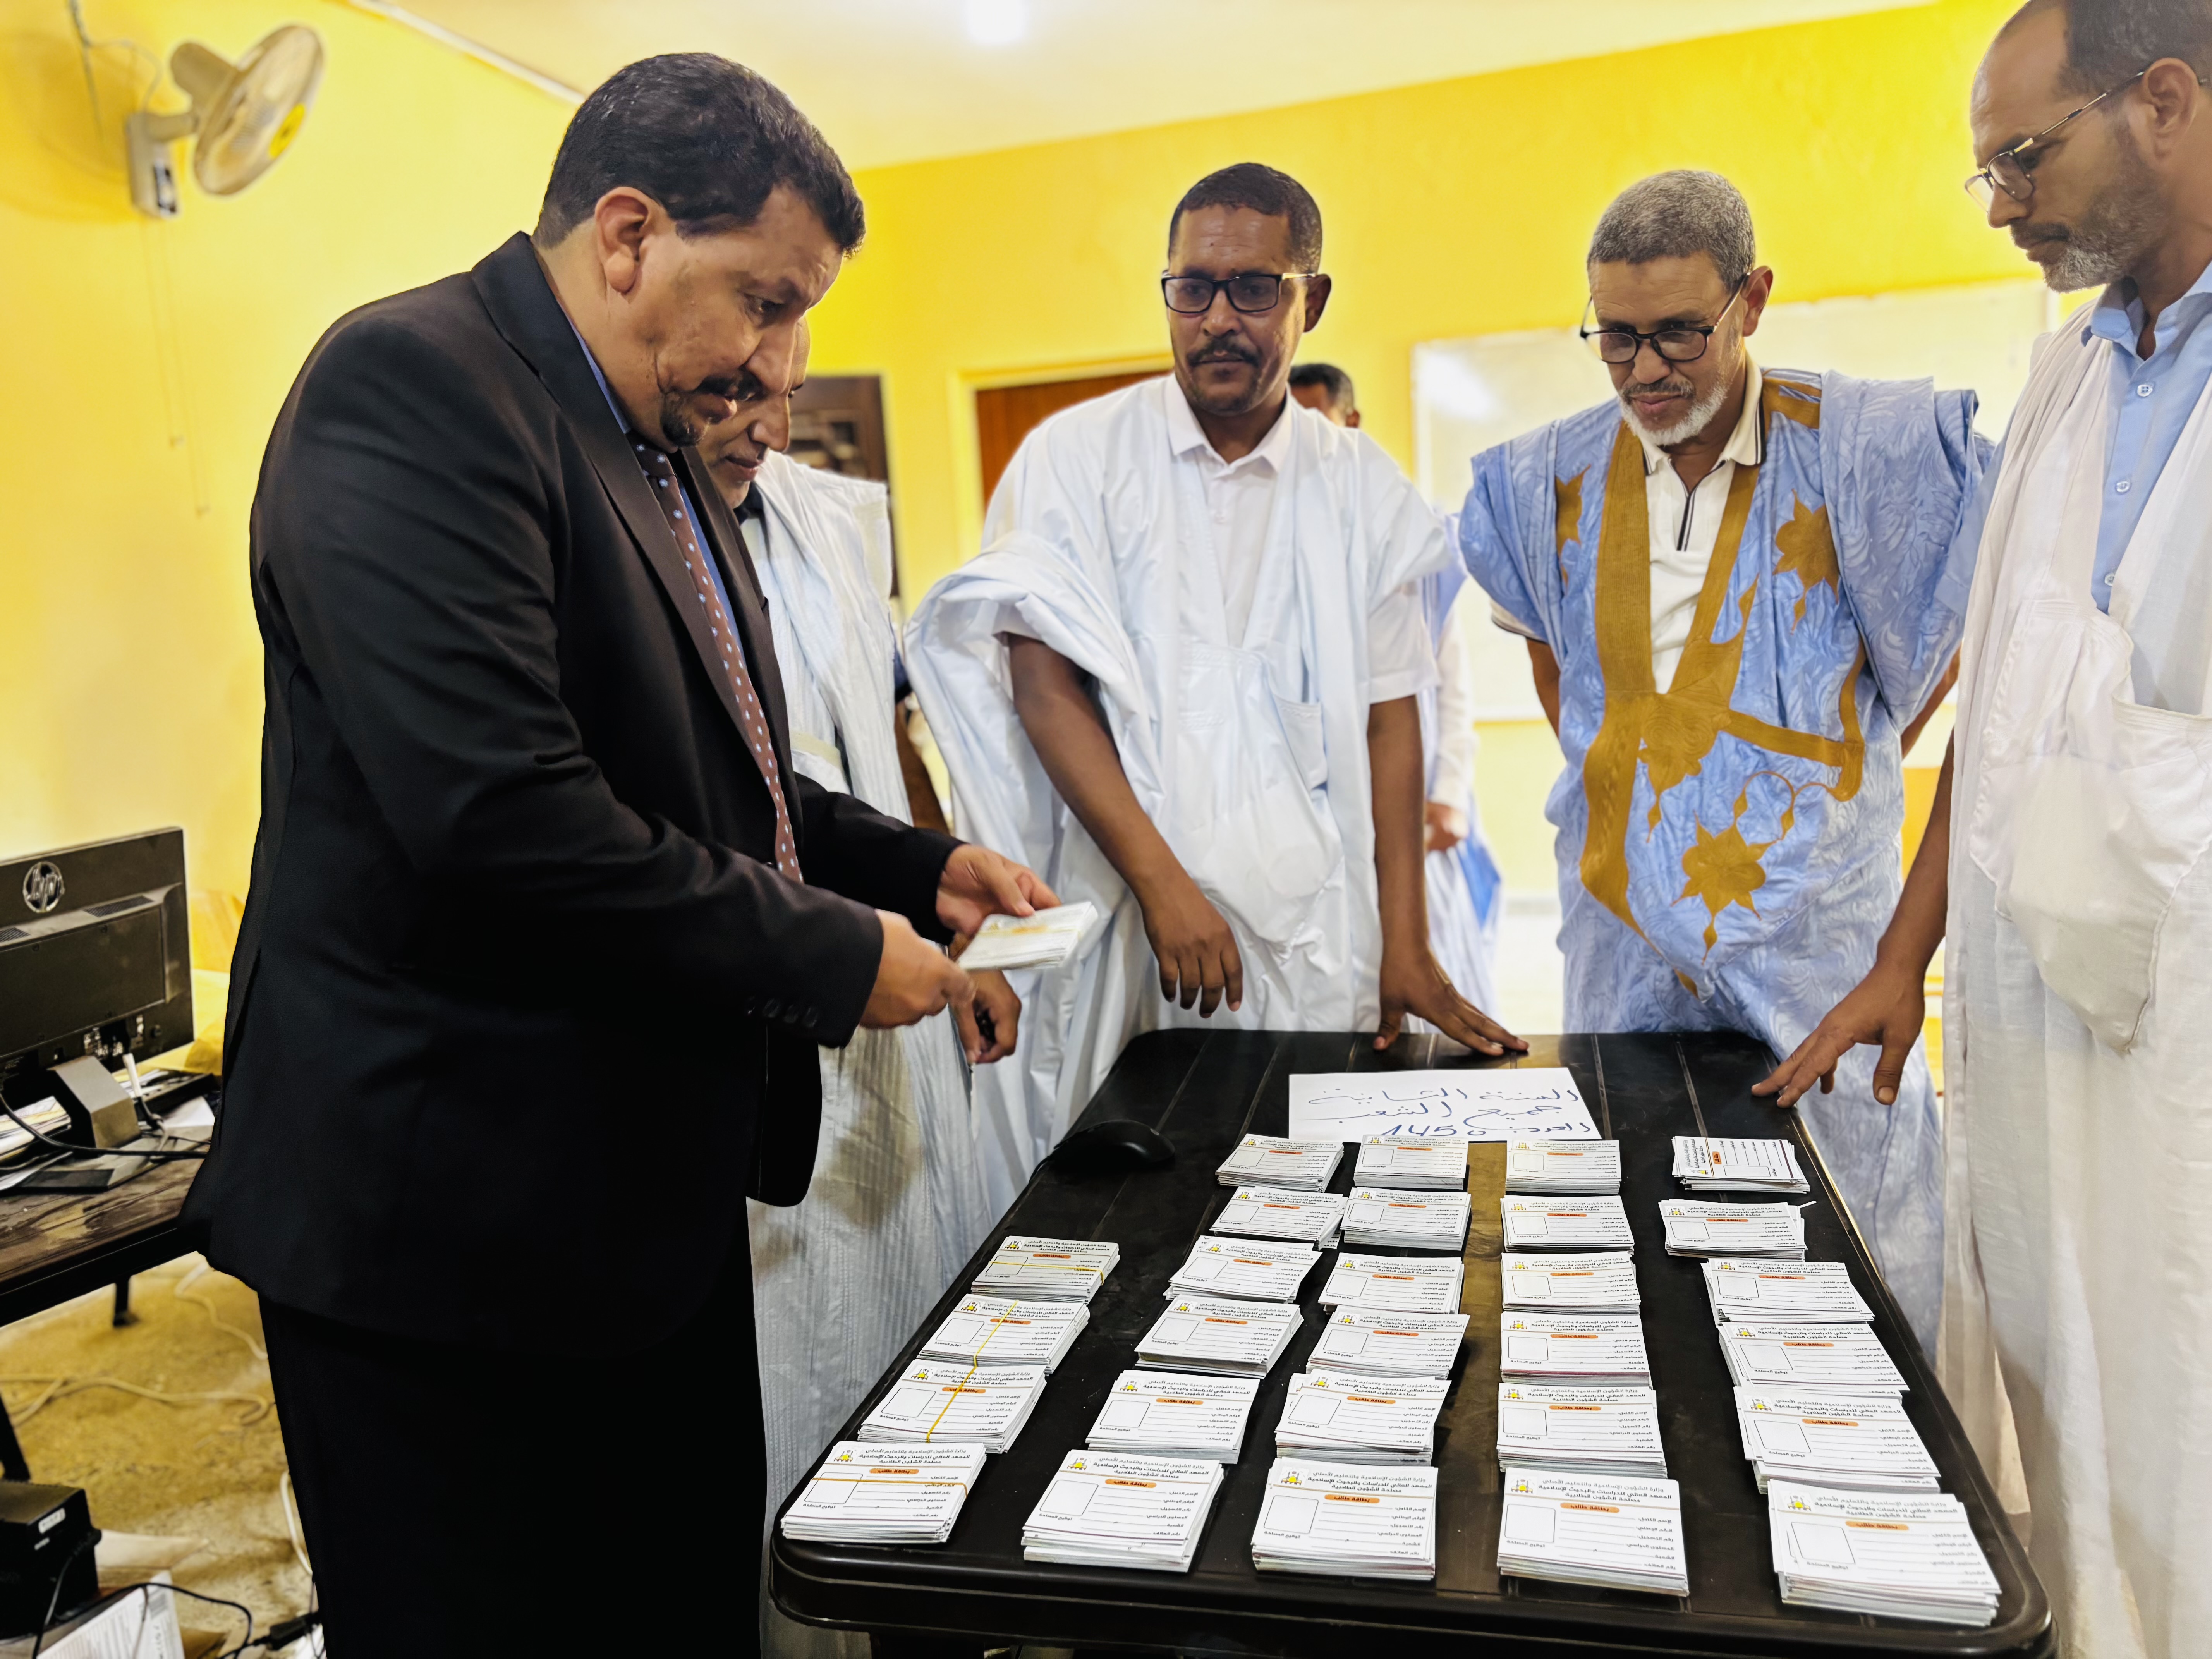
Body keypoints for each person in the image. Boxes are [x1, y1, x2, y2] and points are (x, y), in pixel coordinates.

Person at [184, 56, 1051, 1656]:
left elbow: (708, 764)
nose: (777, 362)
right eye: (766, 303)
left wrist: (907, 866)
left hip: (634, 1202)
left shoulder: (640, 433)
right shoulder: (412, 383)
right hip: (446, 1219)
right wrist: (835, 956)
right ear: (633, 234)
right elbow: (502, 812)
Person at [1761, 3, 2212, 1650]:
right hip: (2030, 1013)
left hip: (2188, 1030)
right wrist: (1904, 955)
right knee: (2061, 1405)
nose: (2006, 204)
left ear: (2164, 101)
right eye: (1990, 174)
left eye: (2025, 157)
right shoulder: (2066, 378)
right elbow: (2004, 710)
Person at [908, 163, 1522, 1209]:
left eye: (1254, 289)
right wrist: (1164, 887)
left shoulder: (1363, 488)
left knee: (1316, 1211)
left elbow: (1392, 722)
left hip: (1318, 936)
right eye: (1193, 289)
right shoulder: (1077, 460)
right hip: (1126, 927)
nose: (1218, 319)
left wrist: (1408, 945)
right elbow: (1043, 685)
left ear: (1310, 300)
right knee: (1127, 1217)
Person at [1461, 171, 1989, 1352]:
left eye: (1678, 334)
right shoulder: (1538, 480)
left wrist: (1826, 777)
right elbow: (1563, 674)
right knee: (1634, 1258)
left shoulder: (1867, 450)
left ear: (1751, 300)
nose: (1644, 370)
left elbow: (1949, 643)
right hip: (1619, 947)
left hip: (1821, 954)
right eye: (1615, 337)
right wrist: (1639, 788)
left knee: (1846, 1271)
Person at [697, 333, 1003, 1659]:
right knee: (785, 1372)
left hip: (881, 986)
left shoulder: (828, 521)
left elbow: (851, 766)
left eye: (786, 395)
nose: (765, 426)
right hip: (753, 1005)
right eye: (735, 392)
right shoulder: (626, 536)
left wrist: (939, 873)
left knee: (900, 1324)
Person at [1294, 360, 1503, 1015]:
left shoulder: (1407, 531)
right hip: (1322, 820)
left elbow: (1449, 685)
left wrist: (1448, 795)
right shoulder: (1279, 538)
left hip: (1413, 808)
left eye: (1316, 421)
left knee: (1435, 973)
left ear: (1350, 422)